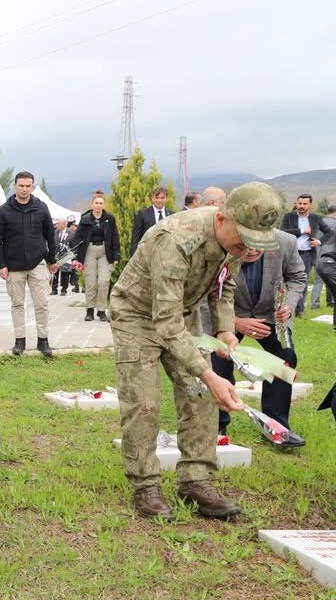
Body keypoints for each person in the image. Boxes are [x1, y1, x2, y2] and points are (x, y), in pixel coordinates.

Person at [110, 181, 282, 521]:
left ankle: (196, 481)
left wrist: (224, 328)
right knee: (143, 402)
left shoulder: (235, 241)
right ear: (222, 218)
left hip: (183, 315)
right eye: (244, 239)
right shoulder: (176, 240)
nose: (247, 249)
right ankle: (146, 485)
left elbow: (224, 285)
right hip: (137, 315)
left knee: (200, 397)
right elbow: (166, 322)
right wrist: (208, 372)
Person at [210, 229, 307, 447]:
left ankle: (277, 426)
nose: (252, 250)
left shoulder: (286, 242)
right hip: (229, 315)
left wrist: (289, 304)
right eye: (247, 244)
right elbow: (206, 292)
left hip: (271, 316)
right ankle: (215, 426)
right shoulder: (221, 241)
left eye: (258, 246)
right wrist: (235, 322)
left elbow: (297, 276)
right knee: (218, 362)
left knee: (285, 359)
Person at [0, 171, 58, 357]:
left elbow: (50, 236)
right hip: (13, 267)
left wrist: (52, 260)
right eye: (21, 185)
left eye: (28, 186)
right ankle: (19, 341)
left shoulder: (41, 208)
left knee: (42, 304)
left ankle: (43, 341)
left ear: (33, 187)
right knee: (17, 304)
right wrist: (1, 265)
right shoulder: (4, 210)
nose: (24, 189)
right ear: (15, 186)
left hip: (37, 264)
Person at [70, 190, 121, 322]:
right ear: (92, 205)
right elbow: (77, 238)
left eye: (101, 203)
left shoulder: (110, 218)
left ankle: (102, 310)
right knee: (91, 282)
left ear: (104, 205)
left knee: (103, 282)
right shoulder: (85, 219)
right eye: (96, 203)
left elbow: (115, 236)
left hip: (105, 251)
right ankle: (90, 310)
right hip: (89, 252)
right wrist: (75, 256)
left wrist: (116, 255)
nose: (98, 205)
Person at [279, 194, 332, 317]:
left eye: (304, 204)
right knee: (284, 281)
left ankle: (299, 310)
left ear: (310, 205)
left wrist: (319, 241)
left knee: (302, 282)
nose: (301, 206)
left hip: (306, 255)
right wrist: (302, 231)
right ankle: (282, 308)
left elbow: (329, 232)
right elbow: (282, 232)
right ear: (296, 203)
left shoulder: (315, 218)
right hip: (289, 254)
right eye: (299, 203)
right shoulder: (289, 216)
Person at [129, 186, 173, 254]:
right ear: (152, 198)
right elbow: (136, 237)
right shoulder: (143, 214)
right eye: (157, 198)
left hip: (167, 254)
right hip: (148, 254)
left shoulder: (172, 215)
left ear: (166, 199)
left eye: (162, 198)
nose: (159, 200)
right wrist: (134, 254)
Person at [312, 205, 336, 310]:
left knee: (318, 280)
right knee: (331, 279)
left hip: (317, 253)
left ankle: (314, 303)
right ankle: (330, 301)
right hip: (331, 254)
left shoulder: (317, 222)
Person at [50, 218, 72, 296]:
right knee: (55, 273)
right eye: (56, 224)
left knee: (65, 274)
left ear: (64, 224)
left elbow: (72, 245)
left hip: (66, 256)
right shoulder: (54, 233)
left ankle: (64, 289)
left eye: (58, 224)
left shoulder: (71, 233)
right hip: (55, 256)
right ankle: (54, 289)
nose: (56, 225)